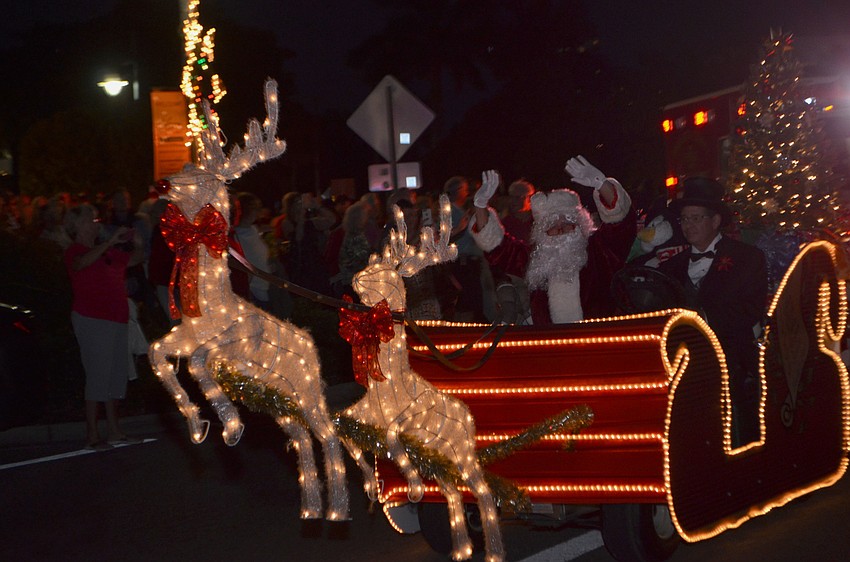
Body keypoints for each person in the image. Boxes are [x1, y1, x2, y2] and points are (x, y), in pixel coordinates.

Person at [659, 177, 767, 444]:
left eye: (695, 218)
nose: (688, 226)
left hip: (730, 355)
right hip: (681, 360)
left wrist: (701, 320)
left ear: (715, 221)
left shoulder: (747, 257)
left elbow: (750, 310)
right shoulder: (670, 266)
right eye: (684, 219)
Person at [470, 156, 636, 324]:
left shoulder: (600, 249)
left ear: (581, 224)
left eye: (568, 223)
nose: (562, 229)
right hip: (550, 342)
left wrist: (602, 184)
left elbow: (621, 222)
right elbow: (495, 246)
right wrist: (480, 204)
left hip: (599, 341)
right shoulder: (534, 259)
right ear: (542, 233)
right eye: (553, 226)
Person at [63, 204, 143, 450]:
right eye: (89, 219)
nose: (95, 223)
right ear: (76, 225)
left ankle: (115, 431)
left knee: (115, 377)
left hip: (116, 318)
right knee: (98, 375)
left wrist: (135, 240)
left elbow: (136, 259)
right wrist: (109, 243)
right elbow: (80, 264)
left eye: (95, 219)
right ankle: (92, 435)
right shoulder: (75, 251)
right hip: (92, 319)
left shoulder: (107, 252)